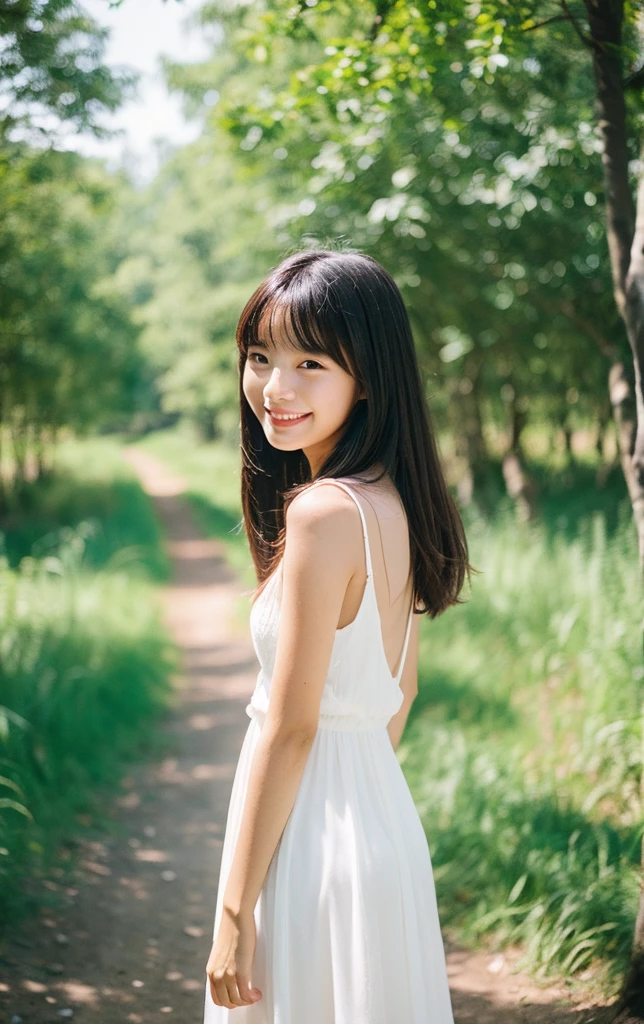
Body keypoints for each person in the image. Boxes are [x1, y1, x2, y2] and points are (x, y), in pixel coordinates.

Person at [203, 248, 473, 1022]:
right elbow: (402, 688)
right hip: (381, 824)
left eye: (310, 362)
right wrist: (355, 798)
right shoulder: (395, 498)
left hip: (314, 844)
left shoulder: (322, 513)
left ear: (369, 375)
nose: (274, 388)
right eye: (260, 358)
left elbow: (290, 731)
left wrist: (232, 915)